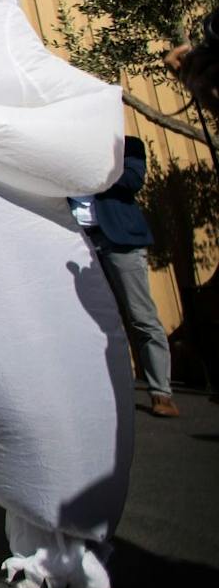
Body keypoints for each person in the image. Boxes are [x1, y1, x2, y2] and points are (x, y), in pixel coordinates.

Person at [75, 136, 177, 418]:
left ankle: (161, 391)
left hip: (120, 241)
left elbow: (133, 180)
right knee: (94, 320)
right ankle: (106, 392)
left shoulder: (126, 145)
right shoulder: (67, 141)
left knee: (141, 316)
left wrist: (94, 161)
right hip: (79, 242)